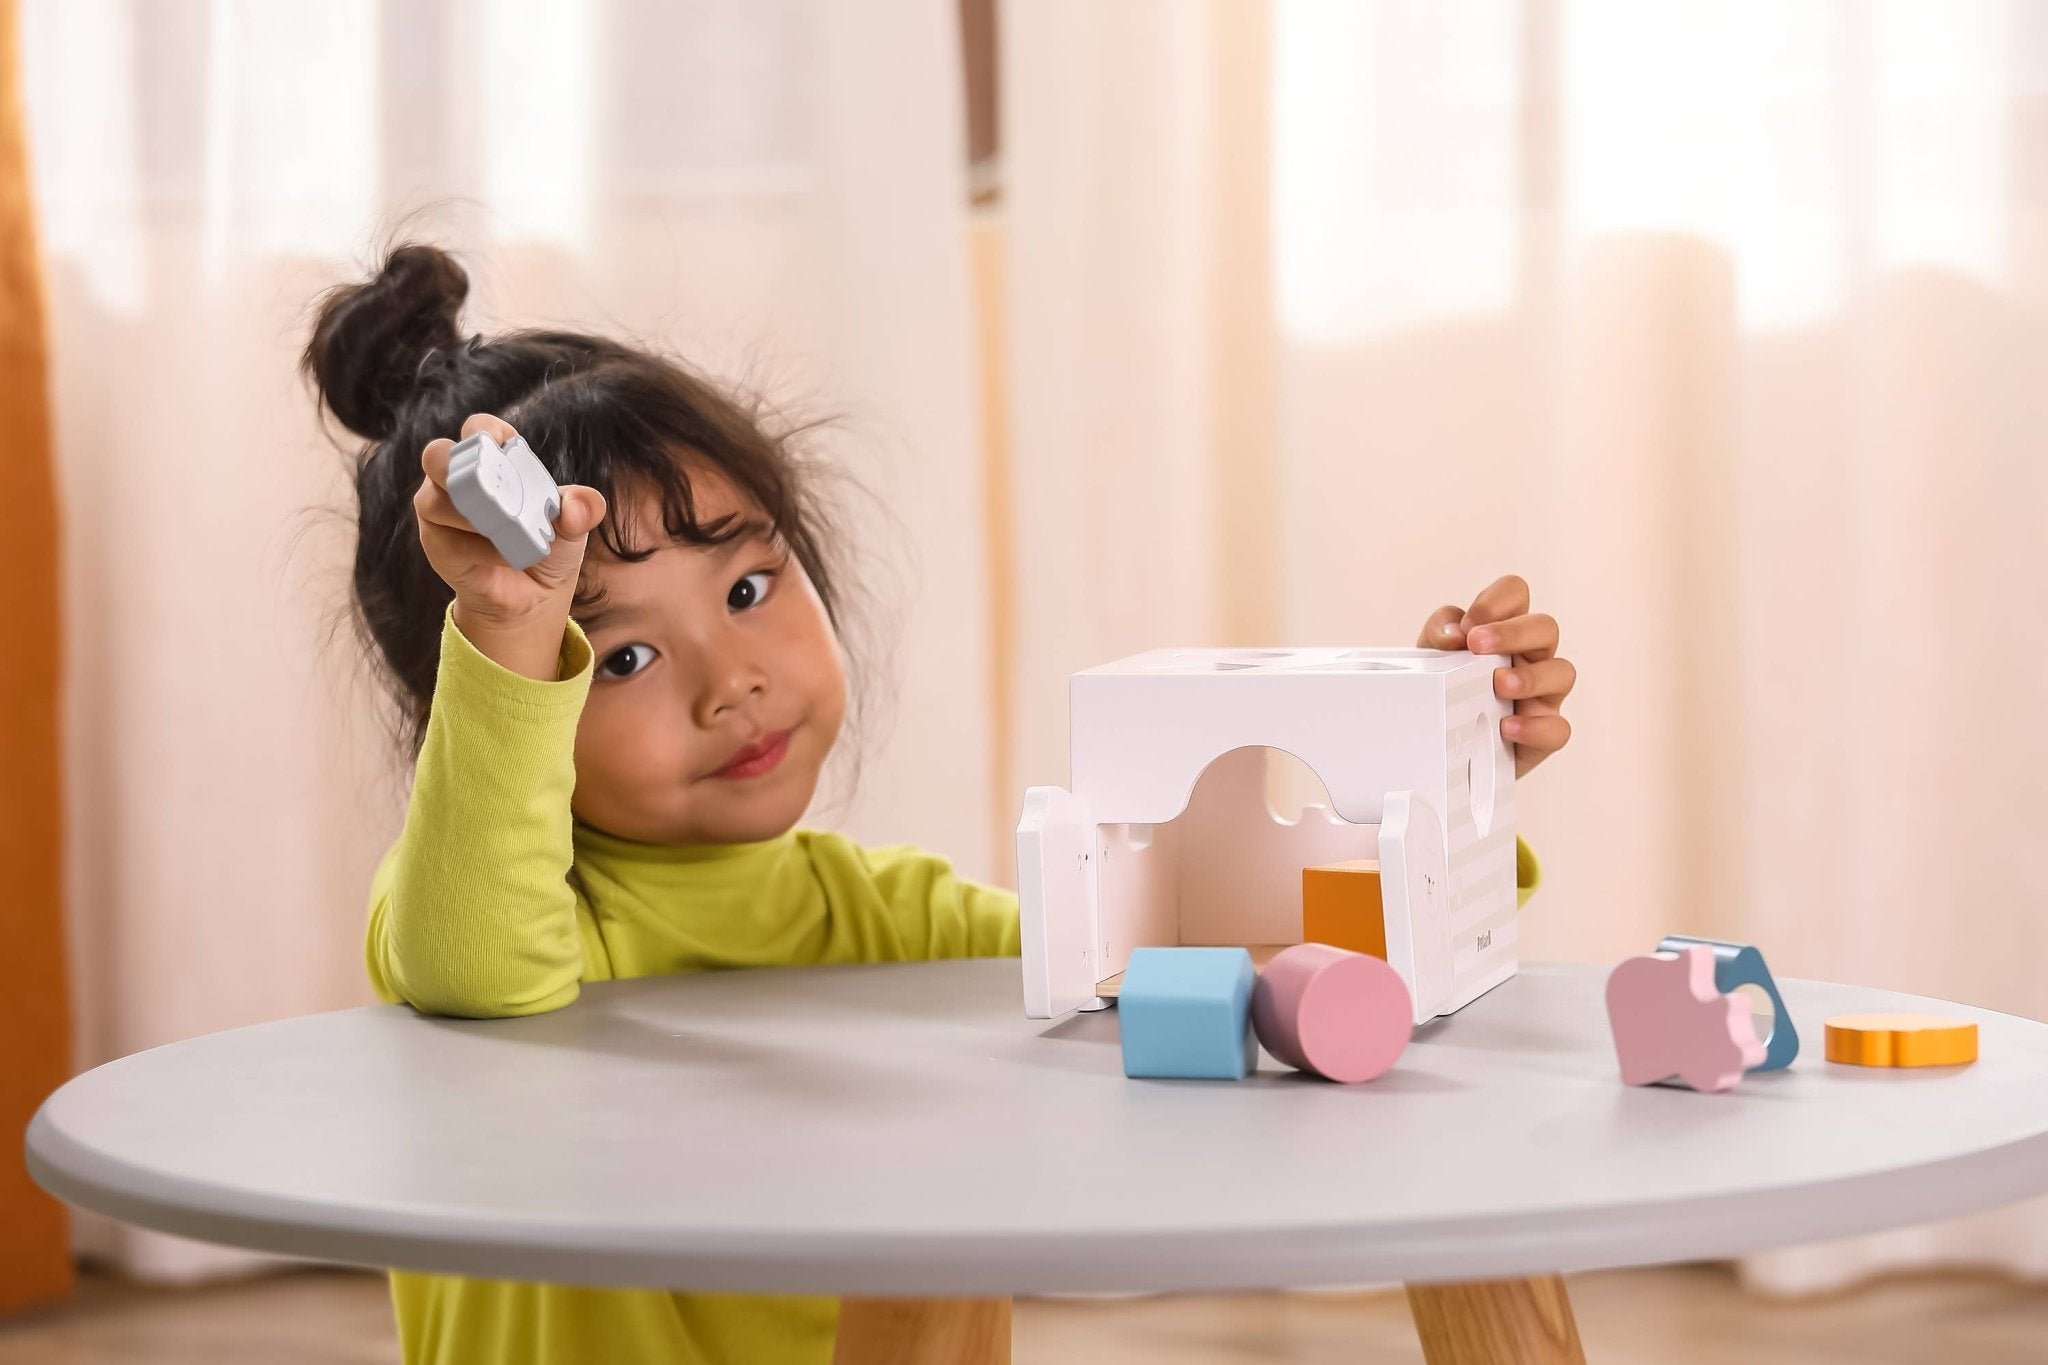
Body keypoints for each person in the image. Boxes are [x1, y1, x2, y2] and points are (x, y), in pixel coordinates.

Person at [303, 242, 1577, 1365]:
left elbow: (1214, 973)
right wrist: (511, 633)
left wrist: (1431, 785)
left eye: (749, 589)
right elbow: (482, 968)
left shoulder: (885, 919)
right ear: (489, 702)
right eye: (619, 655)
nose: (730, 681)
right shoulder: (474, 922)